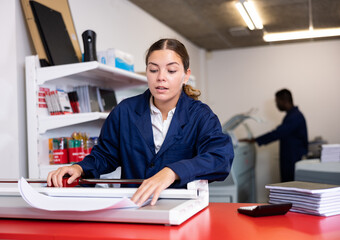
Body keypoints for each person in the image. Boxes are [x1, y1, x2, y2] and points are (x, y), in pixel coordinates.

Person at [47, 38, 234, 206]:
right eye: (154, 70)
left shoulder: (200, 115)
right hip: (134, 205)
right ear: (147, 72)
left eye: (171, 70)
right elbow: (105, 155)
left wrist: (172, 172)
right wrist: (79, 168)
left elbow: (220, 158)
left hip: (181, 208)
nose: (161, 77)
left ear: (185, 75)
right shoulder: (125, 111)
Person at [241, 89, 308, 182]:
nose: (276, 105)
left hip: (293, 160)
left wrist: (255, 140)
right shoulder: (292, 115)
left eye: (277, 102)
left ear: (284, 101)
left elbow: (277, 133)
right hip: (291, 159)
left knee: (290, 186)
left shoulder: (294, 117)